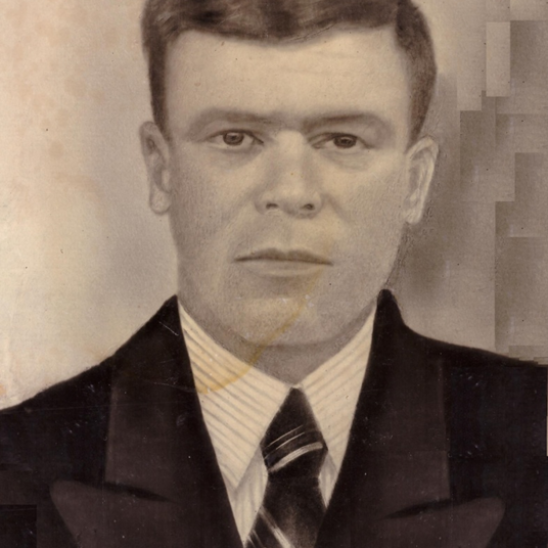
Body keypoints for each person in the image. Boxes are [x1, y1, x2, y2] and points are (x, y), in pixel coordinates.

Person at [0, 0, 546, 546]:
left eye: (343, 140)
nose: (290, 191)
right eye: (235, 138)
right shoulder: (15, 465)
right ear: (161, 170)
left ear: (415, 183)